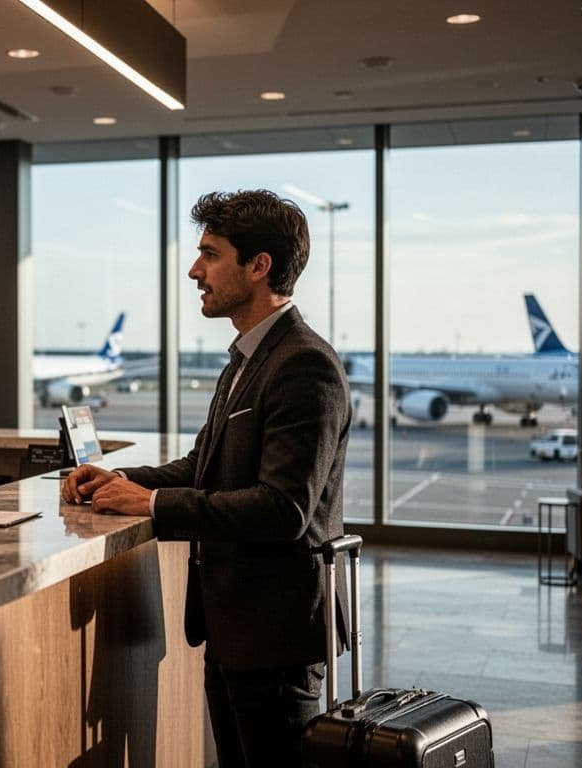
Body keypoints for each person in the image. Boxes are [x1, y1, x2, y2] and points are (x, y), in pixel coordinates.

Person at [62, 189, 351, 766]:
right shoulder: (246, 360)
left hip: (276, 634)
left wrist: (153, 505)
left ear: (258, 266)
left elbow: (283, 510)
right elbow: (204, 467)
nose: (194, 271)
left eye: (210, 254)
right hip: (234, 627)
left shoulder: (304, 364)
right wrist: (113, 478)